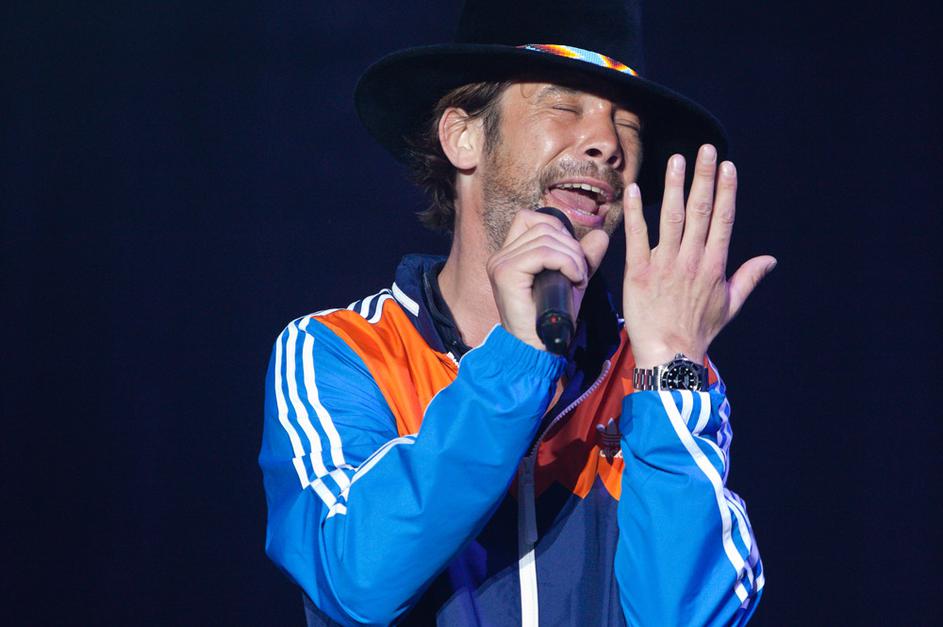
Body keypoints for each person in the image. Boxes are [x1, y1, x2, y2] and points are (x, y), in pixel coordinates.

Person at [259, 0, 774, 624]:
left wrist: (672, 370)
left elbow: (688, 617)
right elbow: (354, 577)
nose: (608, 144)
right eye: (564, 106)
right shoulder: (341, 350)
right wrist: (519, 360)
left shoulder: (658, 371)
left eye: (628, 125)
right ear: (464, 136)